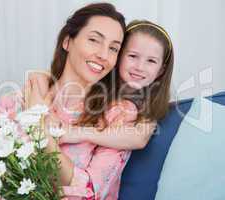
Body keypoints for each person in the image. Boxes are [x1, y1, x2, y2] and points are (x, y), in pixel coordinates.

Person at [0, 2, 135, 200]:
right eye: (94, 40)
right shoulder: (14, 102)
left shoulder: (118, 115)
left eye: (113, 49)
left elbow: (91, 193)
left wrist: (39, 126)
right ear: (67, 41)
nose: (104, 55)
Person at [29, 19, 174, 151]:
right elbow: (61, 78)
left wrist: (79, 133)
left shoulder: (150, 102)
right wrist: (41, 78)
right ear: (117, 55)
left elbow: (139, 139)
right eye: (133, 56)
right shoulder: (97, 78)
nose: (140, 67)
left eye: (151, 61)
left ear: (161, 70)